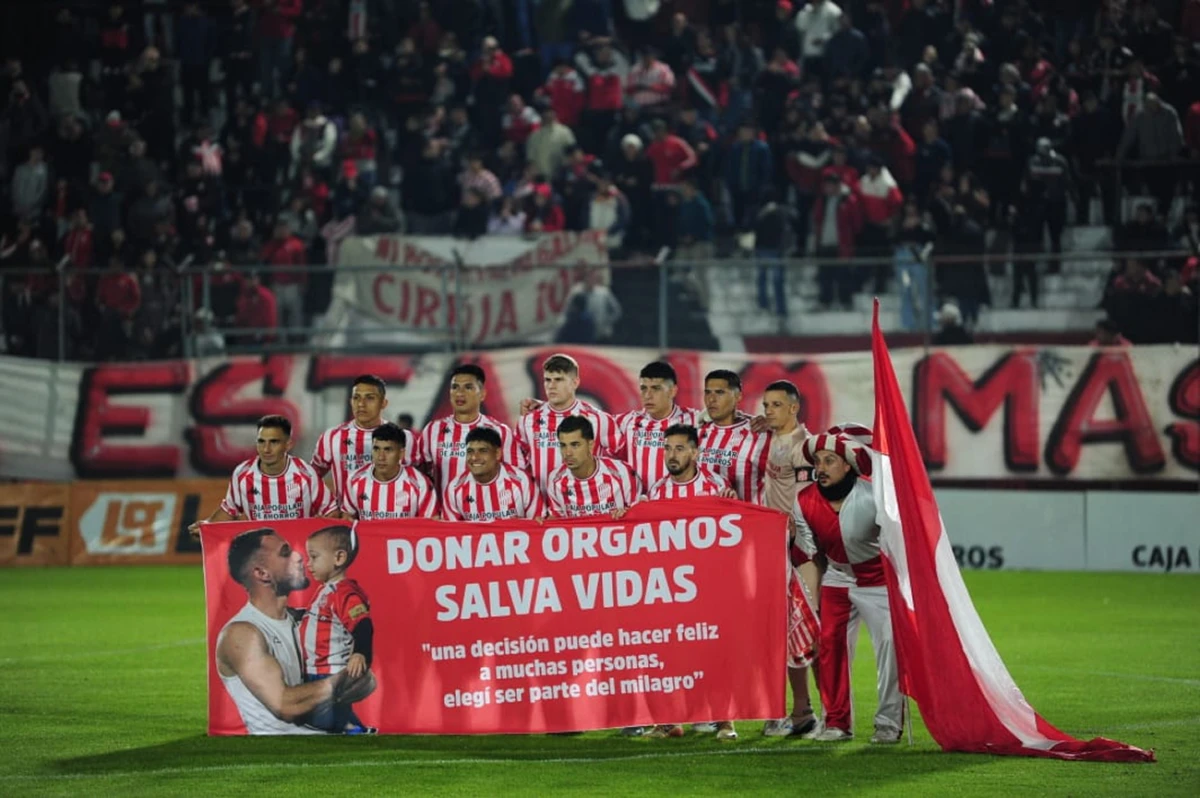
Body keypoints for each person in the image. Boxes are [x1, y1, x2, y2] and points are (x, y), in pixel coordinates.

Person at [795, 426, 902, 744]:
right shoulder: (804, 500)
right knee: (829, 646)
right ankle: (837, 722)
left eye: (829, 461)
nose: (821, 468)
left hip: (878, 581)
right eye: (817, 461)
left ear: (847, 465)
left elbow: (898, 544)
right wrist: (814, 602)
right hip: (837, 578)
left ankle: (888, 723)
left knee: (890, 647)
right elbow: (809, 552)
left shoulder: (874, 496)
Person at [216, 528, 375, 734]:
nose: (299, 557)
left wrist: (361, 673)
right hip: (286, 749)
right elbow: (285, 705)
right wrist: (343, 682)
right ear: (262, 573)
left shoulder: (303, 620)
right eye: (285, 553)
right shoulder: (242, 634)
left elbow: (365, 676)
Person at [644, 422, 736, 742]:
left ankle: (725, 721)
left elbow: (732, 533)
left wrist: (732, 505)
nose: (672, 455)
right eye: (668, 448)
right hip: (671, 586)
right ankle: (668, 720)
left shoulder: (716, 487)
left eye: (680, 449)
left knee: (713, 652)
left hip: (709, 585)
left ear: (695, 453)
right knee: (667, 653)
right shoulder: (657, 491)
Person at [758, 381, 820, 738]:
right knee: (778, 632)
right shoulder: (765, 438)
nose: (769, 410)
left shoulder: (803, 447)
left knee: (808, 631)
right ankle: (798, 711)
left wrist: (796, 537)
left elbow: (805, 501)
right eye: (766, 404)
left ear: (794, 408)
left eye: (776, 405)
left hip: (800, 550)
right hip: (770, 548)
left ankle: (824, 712)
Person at [190, 415, 334, 537]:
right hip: (262, 555)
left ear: (288, 445)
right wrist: (207, 526)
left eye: (274, 442)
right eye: (261, 441)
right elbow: (229, 510)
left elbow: (331, 511)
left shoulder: (306, 475)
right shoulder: (242, 475)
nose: (266, 449)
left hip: (299, 553)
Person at [299, 525, 375, 734]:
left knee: (323, 721)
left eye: (314, 557)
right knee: (333, 715)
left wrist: (360, 653)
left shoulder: (344, 593)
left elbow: (363, 624)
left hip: (329, 670)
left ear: (339, 558)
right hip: (316, 668)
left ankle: (353, 731)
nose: (308, 563)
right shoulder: (325, 590)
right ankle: (355, 729)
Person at [417, 364, 525, 494]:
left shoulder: (500, 431)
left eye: (468, 387)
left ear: (482, 394)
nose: (460, 393)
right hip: (443, 507)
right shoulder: (432, 430)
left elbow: (517, 477)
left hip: (486, 506)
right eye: (455, 387)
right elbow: (418, 474)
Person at [517, 353, 619, 491]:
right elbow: (518, 462)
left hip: (585, 499)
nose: (551, 386)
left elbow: (620, 461)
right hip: (541, 500)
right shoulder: (528, 419)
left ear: (575, 383)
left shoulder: (599, 419)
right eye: (547, 380)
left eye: (558, 380)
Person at [311, 375, 415, 505]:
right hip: (346, 515)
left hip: (390, 515)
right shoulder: (332, 437)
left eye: (369, 398)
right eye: (356, 398)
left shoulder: (405, 437)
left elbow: (418, 482)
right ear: (351, 402)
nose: (361, 404)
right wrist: (327, 506)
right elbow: (311, 478)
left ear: (383, 403)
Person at [612, 361, 703, 492]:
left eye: (656, 388)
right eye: (644, 388)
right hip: (638, 501)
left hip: (677, 499)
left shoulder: (696, 421)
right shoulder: (625, 422)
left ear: (672, 391)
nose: (647, 395)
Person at [544, 415, 641, 521]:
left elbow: (640, 515)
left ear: (591, 445)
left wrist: (628, 513)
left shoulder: (622, 473)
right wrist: (541, 524)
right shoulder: (555, 480)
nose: (568, 453)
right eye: (563, 445)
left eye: (575, 445)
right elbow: (556, 521)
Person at [443, 428, 547, 522]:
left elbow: (538, 523)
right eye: (470, 451)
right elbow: (450, 532)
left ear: (497, 454)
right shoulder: (454, 489)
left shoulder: (522, 481)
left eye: (483, 451)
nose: (474, 457)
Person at [697, 370, 769, 503]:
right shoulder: (697, 433)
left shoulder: (759, 433)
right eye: (708, 392)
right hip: (707, 514)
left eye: (720, 392)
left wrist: (781, 427)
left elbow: (787, 476)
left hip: (747, 514)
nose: (711, 399)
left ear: (738, 396)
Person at [341, 423, 438, 520]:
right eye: (376, 449)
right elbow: (347, 517)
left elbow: (431, 523)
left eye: (388, 450)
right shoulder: (354, 480)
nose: (381, 457)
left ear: (401, 454)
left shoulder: (420, 484)